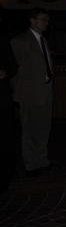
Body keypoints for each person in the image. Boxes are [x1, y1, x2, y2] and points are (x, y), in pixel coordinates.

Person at [10, 8, 53, 176]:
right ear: (32, 20)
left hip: (45, 91)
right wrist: (19, 92)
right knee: (29, 129)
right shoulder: (21, 41)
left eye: (47, 20)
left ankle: (42, 159)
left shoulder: (43, 40)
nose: (46, 23)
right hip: (29, 93)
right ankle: (31, 163)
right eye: (43, 20)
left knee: (43, 128)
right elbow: (13, 69)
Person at [0, 35, 18, 191]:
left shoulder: (3, 41)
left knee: (5, 136)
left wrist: (5, 72)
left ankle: (6, 175)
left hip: (2, 99)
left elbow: (13, 65)